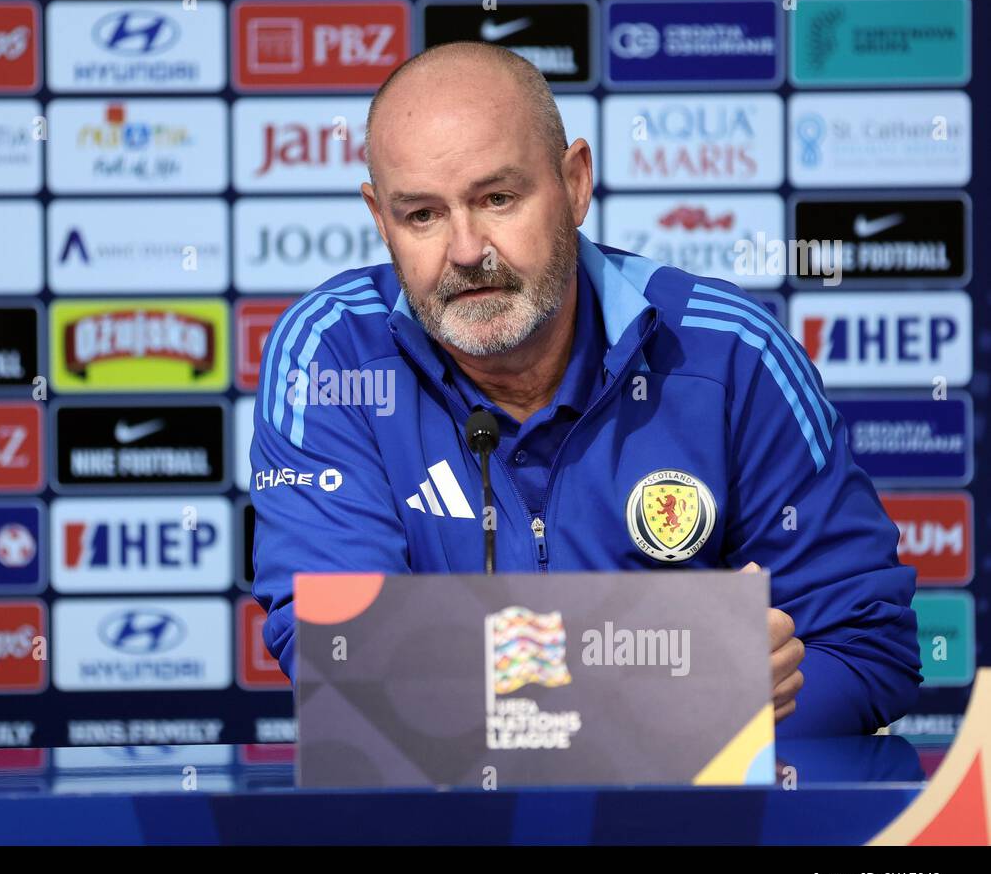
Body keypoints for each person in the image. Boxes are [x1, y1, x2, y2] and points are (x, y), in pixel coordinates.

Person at [249, 41, 921, 736]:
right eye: (421, 214)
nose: (465, 250)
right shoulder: (332, 358)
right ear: (379, 219)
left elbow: (863, 645)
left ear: (574, 182)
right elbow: (344, 657)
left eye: (498, 198)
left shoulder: (729, 354)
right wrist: (679, 688)